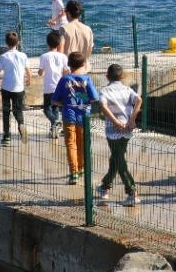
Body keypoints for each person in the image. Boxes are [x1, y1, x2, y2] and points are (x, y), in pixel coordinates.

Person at [96, 62, 142, 206]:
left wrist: (115, 122)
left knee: (120, 161)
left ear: (107, 77)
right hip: (127, 129)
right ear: (122, 77)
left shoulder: (105, 91)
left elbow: (103, 106)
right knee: (117, 158)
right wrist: (132, 119)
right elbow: (139, 100)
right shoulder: (127, 89)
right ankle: (105, 187)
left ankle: (132, 191)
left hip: (113, 131)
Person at [52, 51, 97, 184]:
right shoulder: (87, 79)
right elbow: (94, 98)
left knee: (71, 144)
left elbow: (54, 100)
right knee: (83, 144)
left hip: (68, 115)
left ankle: (73, 173)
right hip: (84, 116)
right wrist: (81, 98)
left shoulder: (64, 79)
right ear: (83, 64)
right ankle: (82, 168)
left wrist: (68, 102)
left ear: (69, 65)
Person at [0, 31, 30, 146]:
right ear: (18, 42)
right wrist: (29, 80)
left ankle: (7, 136)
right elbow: (28, 71)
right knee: (18, 110)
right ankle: (21, 124)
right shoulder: (23, 55)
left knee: (6, 112)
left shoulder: (3, 56)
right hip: (19, 88)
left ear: (6, 43)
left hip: (6, 88)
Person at [39, 29, 68, 137]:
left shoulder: (44, 56)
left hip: (48, 87)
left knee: (47, 109)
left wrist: (40, 71)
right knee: (55, 108)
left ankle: (55, 122)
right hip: (59, 86)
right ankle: (54, 130)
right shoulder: (63, 57)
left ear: (47, 43)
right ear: (59, 43)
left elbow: (40, 72)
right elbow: (66, 71)